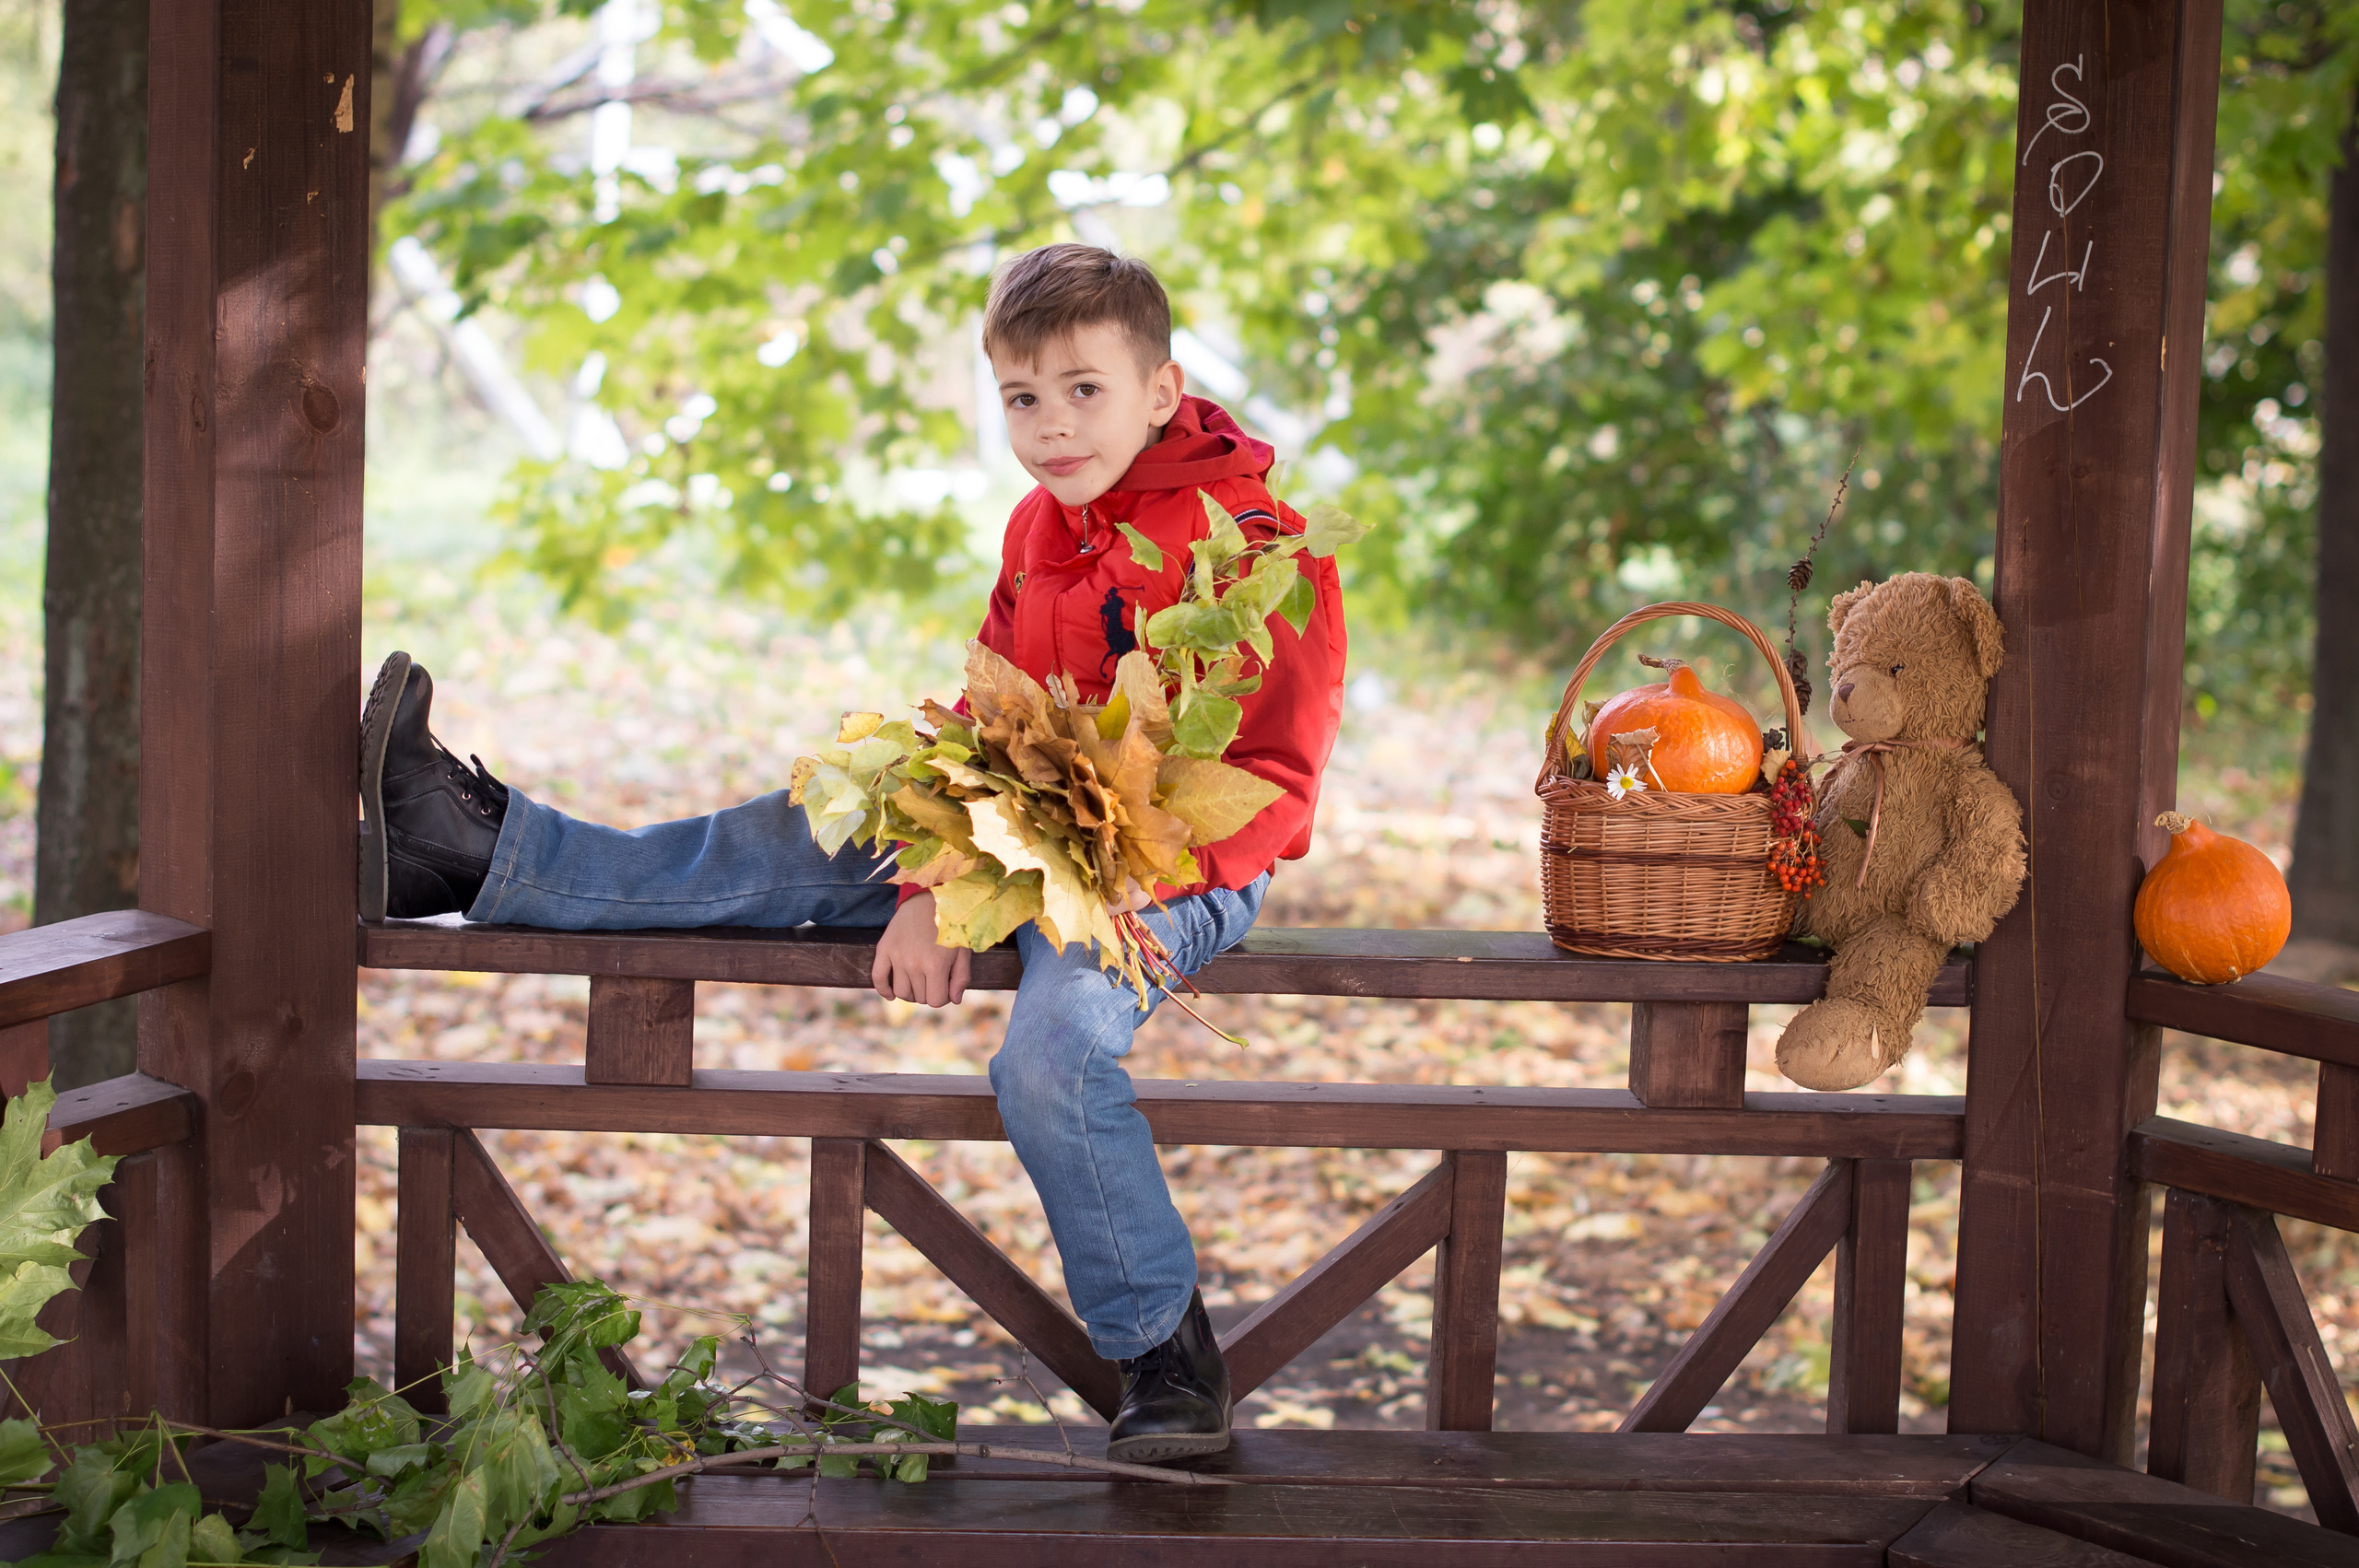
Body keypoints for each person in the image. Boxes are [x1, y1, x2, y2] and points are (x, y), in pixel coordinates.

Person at [358, 242, 1349, 1461]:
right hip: (1019, 828)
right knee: (799, 829)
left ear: (1161, 389)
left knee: (1051, 1057)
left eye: (1084, 389)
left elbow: (1277, 785)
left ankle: (1166, 1356)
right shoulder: (1041, 525)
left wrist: (1040, 886)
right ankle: (469, 851)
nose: (1050, 425)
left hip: (1177, 873)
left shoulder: (1257, 548)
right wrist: (937, 877)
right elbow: (991, 724)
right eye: (1022, 397)